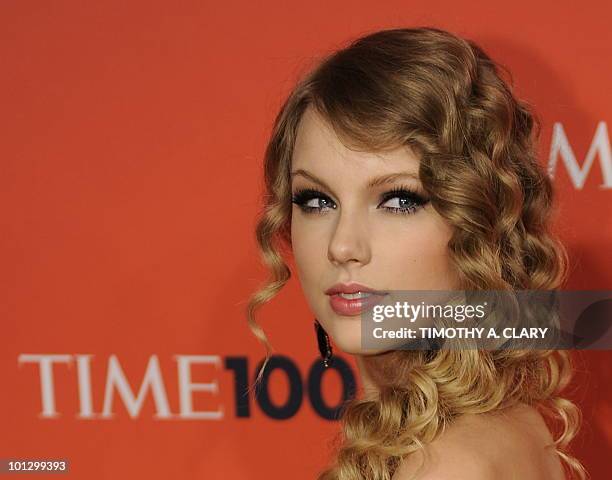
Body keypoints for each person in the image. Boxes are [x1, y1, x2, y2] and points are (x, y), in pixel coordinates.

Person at [246, 27, 587, 480]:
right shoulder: (500, 421)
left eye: (400, 200)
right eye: (317, 200)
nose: (342, 246)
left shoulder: (442, 465)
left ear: (477, 223)